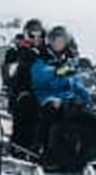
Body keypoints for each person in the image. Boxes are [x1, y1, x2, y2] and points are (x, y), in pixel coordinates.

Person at [30, 25, 91, 161]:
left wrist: (88, 95)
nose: (56, 43)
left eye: (60, 40)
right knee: (52, 109)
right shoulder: (43, 57)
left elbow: (78, 79)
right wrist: (57, 72)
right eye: (54, 40)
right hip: (48, 95)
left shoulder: (70, 59)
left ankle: (84, 148)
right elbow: (40, 77)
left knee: (86, 110)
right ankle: (42, 148)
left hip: (68, 96)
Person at [3, 19, 46, 148]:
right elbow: (10, 71)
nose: (35, 38)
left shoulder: (46, 50)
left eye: (39, 34)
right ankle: (20, 148)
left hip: (45, 90)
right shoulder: (17, 51)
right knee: (26, 111)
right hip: (22, 91)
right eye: (32, 35)